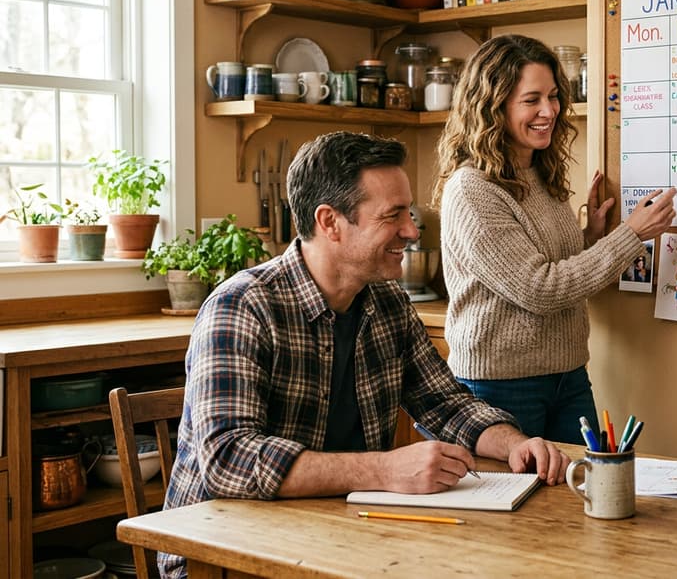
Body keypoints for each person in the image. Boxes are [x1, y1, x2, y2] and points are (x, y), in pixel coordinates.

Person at [162, 131, 569, 579]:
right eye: (393, 216)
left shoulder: (387, 302)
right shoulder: (241, 307)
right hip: (222, 553)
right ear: (330, 222)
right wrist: (385, 470)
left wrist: (516, 444)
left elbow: (446, 404)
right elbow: (229, 460)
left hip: (340, 537)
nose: (412, 231)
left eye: (409, 214)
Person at [432, 34, 677, 443]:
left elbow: (545, 266)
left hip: (568, 377)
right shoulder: (472, 189)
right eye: (531, 100)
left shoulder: (539, 175)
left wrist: (592, 237)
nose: (549, 110)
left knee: (583, 496)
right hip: (500, 387)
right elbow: (539, 289)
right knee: (521, 505)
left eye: (552, 96)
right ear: (494, 106)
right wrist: (631, 235)